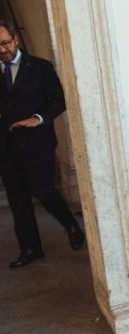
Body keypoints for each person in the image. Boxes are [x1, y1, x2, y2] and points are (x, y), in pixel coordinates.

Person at [0, 19, 85, 268]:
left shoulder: (40, 68)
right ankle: (30, 248)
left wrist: (37, 119)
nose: (2, 49)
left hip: (37, 143)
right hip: (7, 146)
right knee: (17, 199)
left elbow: (59, 101)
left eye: (5, 43)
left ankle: (71, 225)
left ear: (16, 40)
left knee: (44, 190)